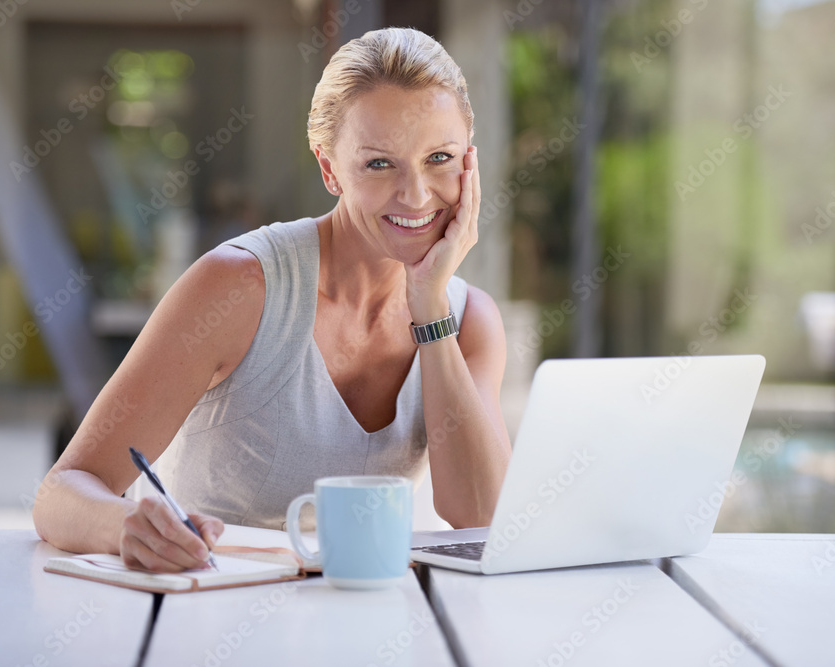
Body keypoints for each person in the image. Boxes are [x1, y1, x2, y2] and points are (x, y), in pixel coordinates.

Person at [33, 27, 511, 573]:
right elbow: (62, 493)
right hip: (207, 617)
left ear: (469, 165)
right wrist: (124, 526)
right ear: (330, 168)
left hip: (356, 626)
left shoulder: (468, 321)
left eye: (439, 158)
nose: (417, 194)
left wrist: (429, 307)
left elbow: (481, 513)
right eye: (380, 163)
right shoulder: (240, 286)